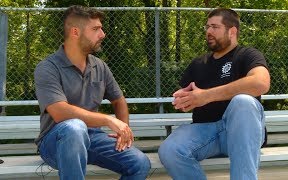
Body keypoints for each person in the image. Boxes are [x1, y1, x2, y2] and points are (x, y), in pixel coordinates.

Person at [34, 5, 150, 180]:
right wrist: (108, 119)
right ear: (75, 32)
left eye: (101, 28)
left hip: (92, 138)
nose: (102, 34)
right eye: (96, 29)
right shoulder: (48, 67)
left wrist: (123, 130)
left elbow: (118, 100)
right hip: (55, 141)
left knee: (140, 164)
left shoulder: (99, 66)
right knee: (75, 127)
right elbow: (60, 112)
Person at [158, 8, 270, 180]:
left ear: (232, 31)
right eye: (207, 27)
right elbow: (186, 95)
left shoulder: (247, 55)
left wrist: (206, 96)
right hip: (205, 132)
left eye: (215, 27)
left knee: (244, 102)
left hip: (240, 131)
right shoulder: (198, 63)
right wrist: (184, 99)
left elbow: (261, 83)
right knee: (169, 150)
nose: (209, 31)